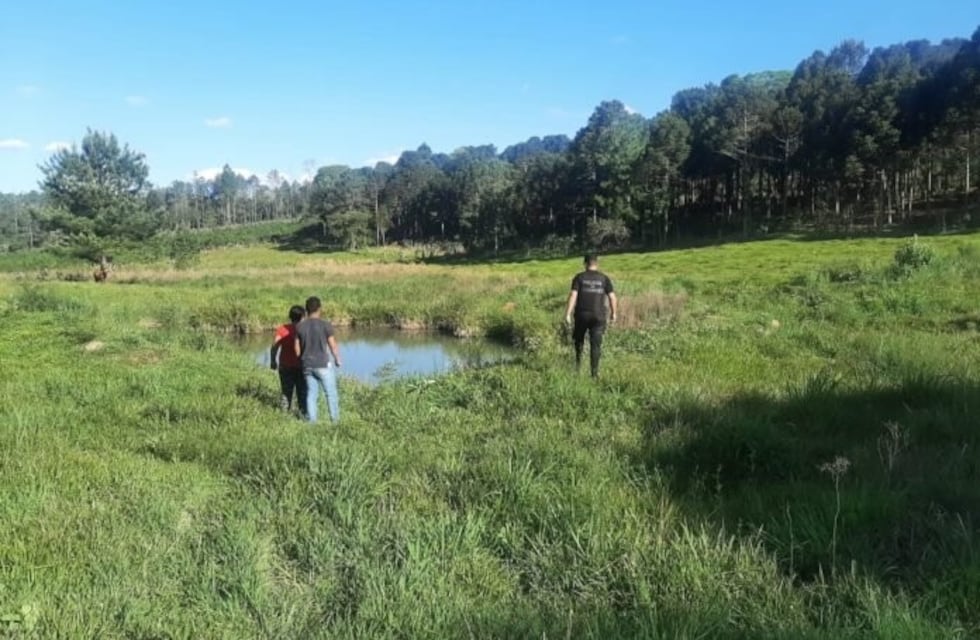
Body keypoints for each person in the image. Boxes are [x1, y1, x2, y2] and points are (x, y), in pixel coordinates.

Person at [564, 253, 617, 378]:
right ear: (596, 263)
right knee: (596, 345)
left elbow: (573, 295)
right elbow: (612, 297)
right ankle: (594, 374)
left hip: (582, 315)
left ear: (585, 263)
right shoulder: (604, 278)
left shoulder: (579, 277)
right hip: (599, 317)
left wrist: (567, 313)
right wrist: (614, 313)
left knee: (578, 341)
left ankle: (577, 367)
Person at [294, 296, 342, 423]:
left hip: (307, 365)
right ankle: (335, 422)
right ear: (319, 309)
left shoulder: (299, 327)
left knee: (311, 394)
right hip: (323, 364)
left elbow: (297, 350)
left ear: (306, 310)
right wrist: (337, 359)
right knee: (330, 394)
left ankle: (312, 423)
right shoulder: (325, 325)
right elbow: (333, 345)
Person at [270, 305, 307, 416]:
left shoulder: (282, 329)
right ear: (302, 317)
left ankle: (284, 415)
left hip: (285, 366)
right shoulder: (304, 330)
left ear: (290, 316)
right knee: (302, 393)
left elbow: (274, 346)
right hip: (301, 367)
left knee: (286, 393)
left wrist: (273, 361)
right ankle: (303, 415)